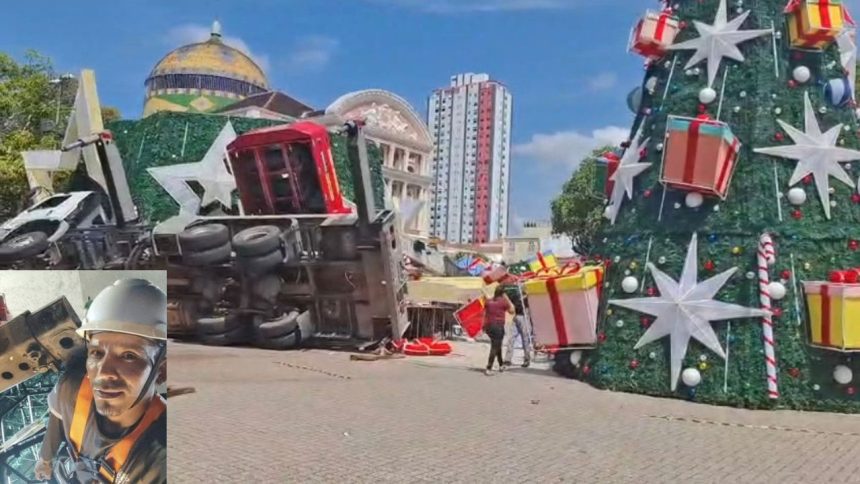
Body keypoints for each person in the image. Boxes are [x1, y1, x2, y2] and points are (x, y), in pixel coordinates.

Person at [34, 279, 167, 484]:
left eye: (128, 356)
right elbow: (58, 417)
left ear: (162, 370)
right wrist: (45, 459)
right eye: (96, 352)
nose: (103, 373)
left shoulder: (161, 459)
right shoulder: (73, 390)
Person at [483, 285, 515, 375]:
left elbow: (485, 308)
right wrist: (507, 298)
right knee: (495, 347)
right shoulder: (503, 302)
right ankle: (489, 368)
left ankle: (501, 365)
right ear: (503, 293)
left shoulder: (489, 301)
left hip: (489, 326)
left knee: (497, 345)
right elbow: (512, 311)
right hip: (498, 326)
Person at [503, 285, 532, 368]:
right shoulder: (516, 297)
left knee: (525, 340)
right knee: (511, 339)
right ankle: (507, 360)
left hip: (524, 318)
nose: (522, 288)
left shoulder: (529, 298)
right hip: (516, 317)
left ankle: (527, 359)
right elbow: (508, 301)